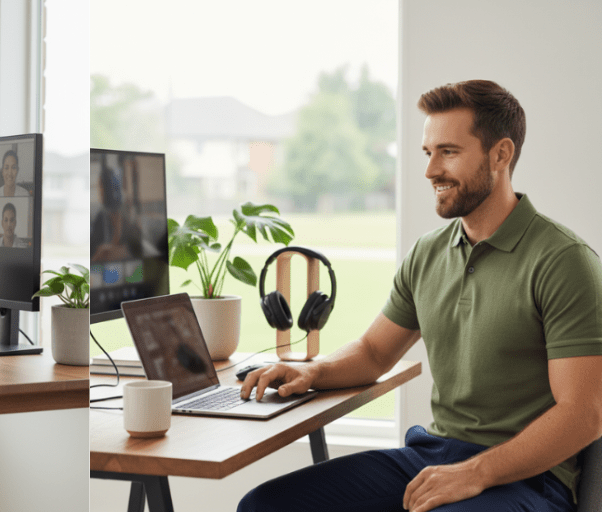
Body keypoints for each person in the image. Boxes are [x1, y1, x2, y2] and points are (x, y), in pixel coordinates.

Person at [237, 80, 602, 512]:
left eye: (448, 152)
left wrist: (476, 473)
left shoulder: (563, 260)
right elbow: (374, 352)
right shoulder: (429, 252)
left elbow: (583, 413)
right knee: (265, 505)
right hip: (432, 456)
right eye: (428, 153)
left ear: (501, 154)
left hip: (527, 479)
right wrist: (313, 372)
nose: (430, 171)